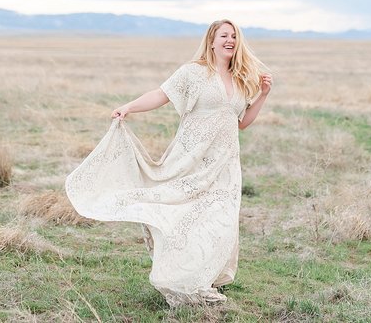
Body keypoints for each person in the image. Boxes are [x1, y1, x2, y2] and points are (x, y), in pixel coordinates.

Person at [65, 19, 273, 307]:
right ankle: (179, 277)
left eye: (234, 36)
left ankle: (204, 276)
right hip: (190, 161)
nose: (230, 40)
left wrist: (263, 95)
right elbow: (161, 95)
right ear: (211, 41)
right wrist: (129, 107)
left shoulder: (240, 80)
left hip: (225, 166)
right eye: (224, 35)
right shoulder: (193, 73)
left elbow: (242, 123)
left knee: (220, 222)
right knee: (183, 216)